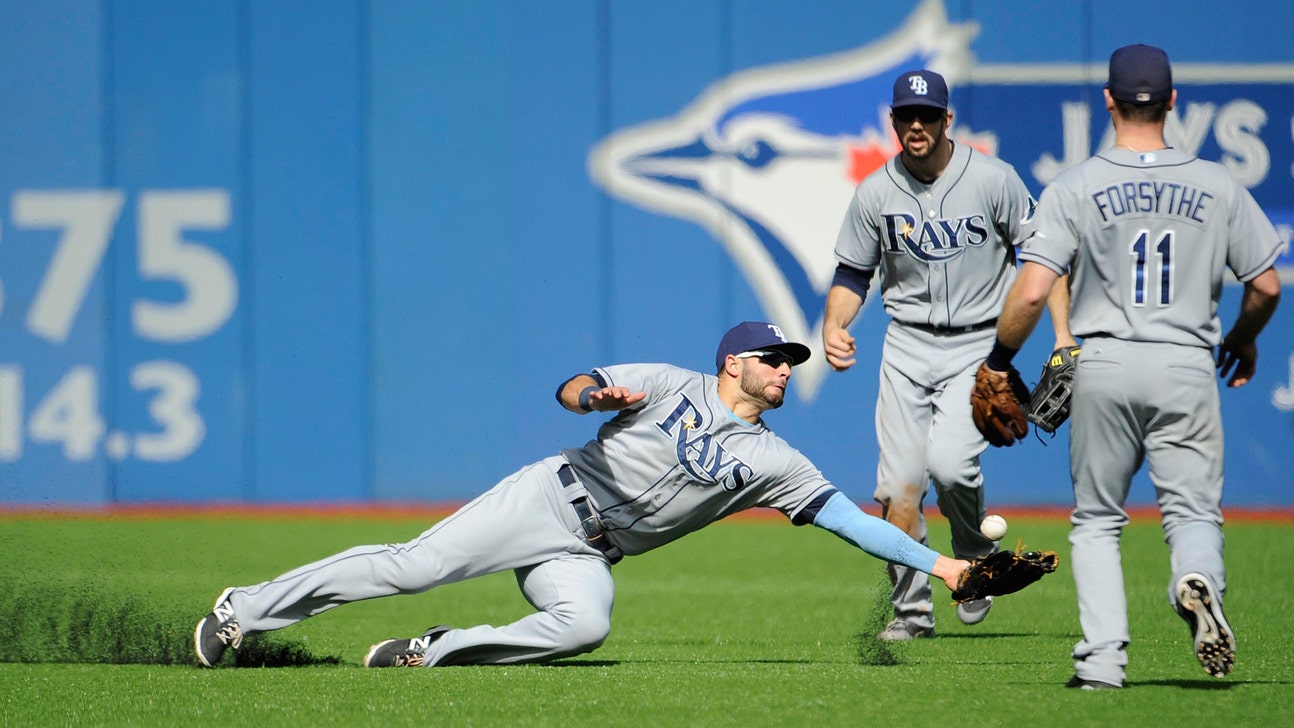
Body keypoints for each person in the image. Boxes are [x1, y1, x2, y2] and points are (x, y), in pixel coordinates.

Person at [195, 321, 977, 668]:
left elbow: (849, 521)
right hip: (549, 498)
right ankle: (244, 609)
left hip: (590, 551)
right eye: (773, 358)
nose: (784, 368)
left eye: (788, 361)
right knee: (411, 565)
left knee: (583, 625)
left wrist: (943, 569)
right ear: (734, 361)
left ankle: (434, 651)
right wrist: (589, 399)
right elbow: (581, 384)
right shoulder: (673, 383)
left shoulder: (776, 461)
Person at [978, 44, 1282, 688]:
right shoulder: (1217, 184)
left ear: (1109, 101)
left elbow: (1033, 291)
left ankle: (1103, 666)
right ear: (1173, 102)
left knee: (1095, 521)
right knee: (1193, 512)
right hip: (1186, 362)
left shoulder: (1076, 185)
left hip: (1106, 362)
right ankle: (1192, 579)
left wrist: (1001, 360)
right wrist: (1245, 338)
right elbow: (1267, 286)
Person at [822, 69, 1073, 640]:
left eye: (927, 115)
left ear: (946, 120)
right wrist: (834, 324)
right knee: (897, 487)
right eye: (906, 116)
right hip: (906, 342)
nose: (917, 125)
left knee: (953, 468)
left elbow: (1044, 256)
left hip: (978, 346)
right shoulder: (876, 192)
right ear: (893, 121)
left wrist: (1063, 337)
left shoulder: (992, 178)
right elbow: (851, 272)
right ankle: (911, 614)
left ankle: (974, 561)